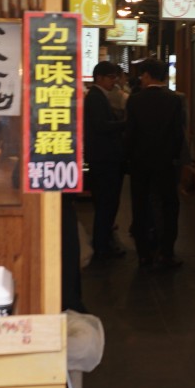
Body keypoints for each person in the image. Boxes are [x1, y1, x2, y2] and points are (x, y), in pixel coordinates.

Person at [125, 57, 193, 270]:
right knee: (169, 206)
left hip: (140, 163)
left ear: (146, 75)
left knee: (140, 206)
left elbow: (130, 134)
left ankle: (144, 254)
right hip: (165, 163)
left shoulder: (134, 100)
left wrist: (130, 159)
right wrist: (174, 158)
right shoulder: (174, 100)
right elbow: (177, 134)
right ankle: (166, 253)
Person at [84, 61, 128, 261]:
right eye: (111, 77)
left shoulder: (99, 96)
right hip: (104, 159)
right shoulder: (95, 97)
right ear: (99, 78)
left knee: (105, 203)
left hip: (102, 157)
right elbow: (101, 126)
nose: (115, 81)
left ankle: (103, 242)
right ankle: (102, 246)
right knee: (106, 203)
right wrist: (125, 123)